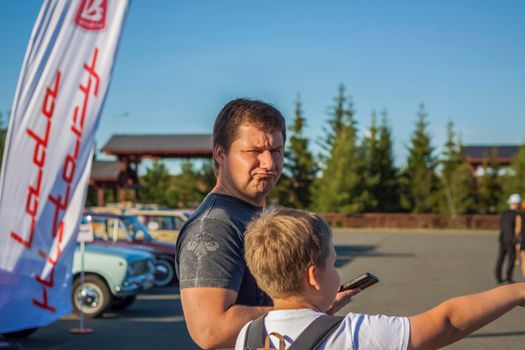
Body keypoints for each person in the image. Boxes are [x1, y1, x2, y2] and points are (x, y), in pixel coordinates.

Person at [174, 98, 359, 349]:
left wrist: (313, 307)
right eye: (254, 152)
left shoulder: (250, 216)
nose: (269, 164)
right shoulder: (214, 225)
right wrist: (304, 311)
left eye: (276, 151)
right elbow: (210, 331)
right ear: (221, 154)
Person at [237, 208, 525, 349]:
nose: (337, 274)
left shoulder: (247, 336)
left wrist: (316, 313)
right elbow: (447, 323)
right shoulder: (352, 334)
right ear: (313, 277)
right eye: (333, 264)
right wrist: (516, 292)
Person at [495, 193, 522, 284]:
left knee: (501, 258)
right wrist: (518, 240)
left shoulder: (504, 213)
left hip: (502, 238)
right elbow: (518, 229)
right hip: (511, 239)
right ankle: (508, 277)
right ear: (518, 203)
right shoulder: (518, 214)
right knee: (511, 258)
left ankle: (498, 277)